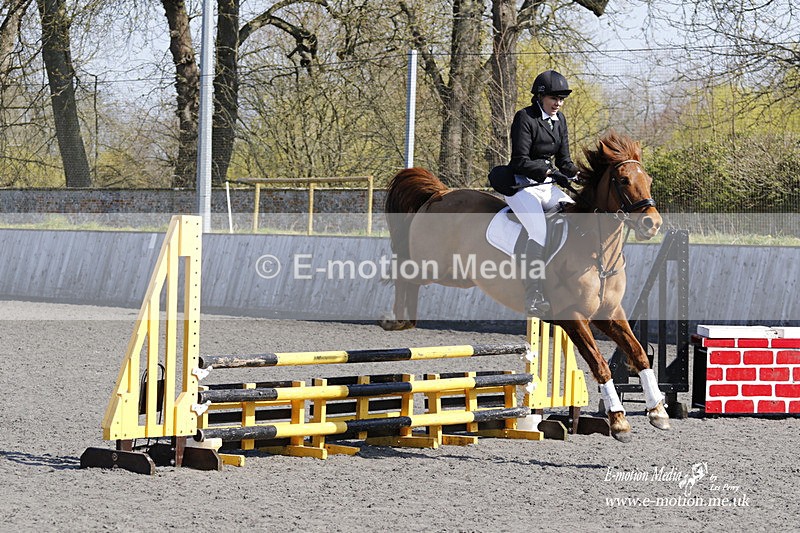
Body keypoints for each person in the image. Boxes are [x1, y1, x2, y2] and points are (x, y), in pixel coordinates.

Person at [507, 69, 580, 316]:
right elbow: (519, 160)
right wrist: (550, 172)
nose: (558, 103)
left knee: (577, 214)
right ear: (540, 97)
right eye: (553, 98)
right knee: (538, 230)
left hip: (545, 187)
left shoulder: (560, 121)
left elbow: (565, 160)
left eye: (561, 99)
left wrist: (577, 174)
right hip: (520, 185)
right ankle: (534, 294)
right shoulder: (524, 118)